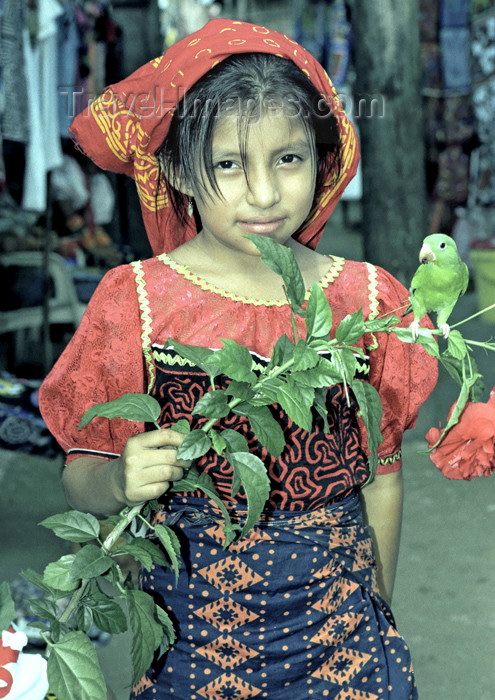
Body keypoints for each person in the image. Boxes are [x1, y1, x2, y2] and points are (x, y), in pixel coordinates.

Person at [39, 19, 438, 699]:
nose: (263, 193)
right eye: (229, 164)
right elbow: (84, 471)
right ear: (174, 169)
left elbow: (381, 477)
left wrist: (376, 611)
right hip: (193, 642)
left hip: (343, 644)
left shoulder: (366, 300)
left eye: (288, 159)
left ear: (322, 156)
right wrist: (118, 484)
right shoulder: (134, 300)